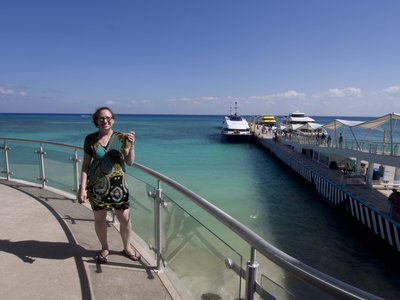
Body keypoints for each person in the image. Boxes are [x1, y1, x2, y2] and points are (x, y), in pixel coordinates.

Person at [78, 107, 140, 264]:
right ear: (96, 121)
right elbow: (86, 165)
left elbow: (129, 162)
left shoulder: (121, 137)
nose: (105, 120)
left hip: (119, 187)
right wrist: (82, 188)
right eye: (101, 118)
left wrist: (131, 146)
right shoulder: (90, 139)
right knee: (100, 219)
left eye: (108, 117)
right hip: (97, 188)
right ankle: (105, 248)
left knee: (125, 218)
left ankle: (127, 248)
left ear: (113, 119)